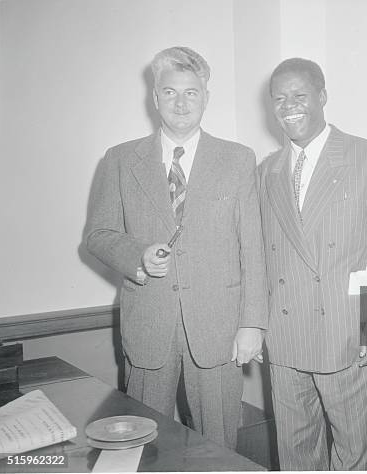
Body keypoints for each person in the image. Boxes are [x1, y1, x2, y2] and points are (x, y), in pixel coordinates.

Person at [84, 46, 267, 448]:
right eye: (170, 92)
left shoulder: (238, 159)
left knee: (217, 446)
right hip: (148, 326)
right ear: (154, 98)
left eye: (191, 92)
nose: (181, 102)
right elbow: (98, 234)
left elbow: (253, 248)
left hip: (219, 330)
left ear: (206, 97)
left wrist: (252, 324)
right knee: (143, 445)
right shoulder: (119, 160)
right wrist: (138, 257)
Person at [258, 58, 367, 470]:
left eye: (299, 95)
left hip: (344, 334)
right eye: (280, 99)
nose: (290, 106)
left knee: (357, 452)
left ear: (322, 96)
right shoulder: (267, 170)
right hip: (284, 337)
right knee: (296, 454)